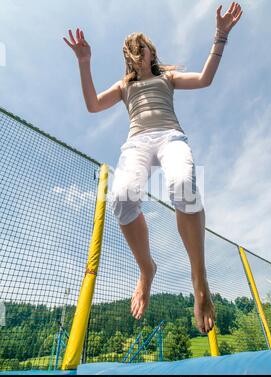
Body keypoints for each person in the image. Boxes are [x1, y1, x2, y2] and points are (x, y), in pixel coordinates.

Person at [63, 2, 243, 334]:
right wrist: (84, 63)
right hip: (137, 142)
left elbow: (205, 79)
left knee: (182, 183)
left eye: (139, 48)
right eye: (129, 51)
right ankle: (147, 270)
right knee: (121, 196)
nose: (135, 54)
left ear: (150, 53)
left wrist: (220, 37)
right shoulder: (123, 87)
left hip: (170, 136)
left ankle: (198, 279)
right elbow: (91, 105)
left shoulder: (167, 78)